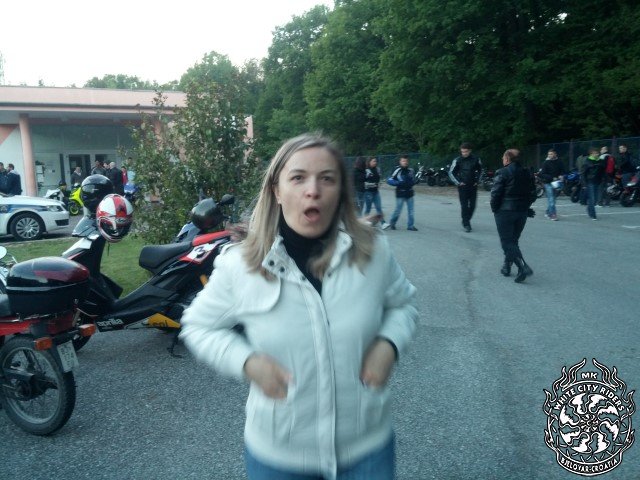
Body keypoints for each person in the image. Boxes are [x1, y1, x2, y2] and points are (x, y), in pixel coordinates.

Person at [180, 133, 418, 480]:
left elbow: (403, 306)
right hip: (279, 459)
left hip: (368, 451)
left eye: (327, 179)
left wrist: (389, 344)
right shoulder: (241, 264)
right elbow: (198, 325)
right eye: (298, 177)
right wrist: (247, 362)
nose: (313, 190)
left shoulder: (373, 251)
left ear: (341, 191)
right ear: (276, 190)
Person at [490, 149, 537, 283]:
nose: (502, 159)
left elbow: (495, 193)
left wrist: (495, 209)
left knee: (507, 242)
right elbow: (533, 193)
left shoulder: (502, 172)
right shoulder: (527, 172)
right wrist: (526, 207)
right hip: (521, 212)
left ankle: (522, 266)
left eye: (503, 157)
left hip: (505, 211)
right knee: (513, 241)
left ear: (507, 159)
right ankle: (507, 266)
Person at [448, 142, 483, 232]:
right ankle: (466, 223)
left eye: (466, 151)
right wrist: (458, 183)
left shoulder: (476, 159)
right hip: (462, 186)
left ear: (470, 151)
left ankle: (466, 219)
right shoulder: (457, 160)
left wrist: (477, 181)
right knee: (464, 206)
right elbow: (451, 172)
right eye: (462, 151)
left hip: (473, 185)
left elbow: (481, 170)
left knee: (472, 205)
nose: (464, 153)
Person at [387, 156, 417, 231]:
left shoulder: (411, 170)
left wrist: (414, 182)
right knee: (398, 211)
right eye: (403, 161)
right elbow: (389, 180)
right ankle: (392, 223)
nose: (405, 162)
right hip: (400, 193)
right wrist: (398, 183)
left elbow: (413, 180)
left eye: (406, 161)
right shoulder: (397, 170)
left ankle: (410, 226)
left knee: (411, 211)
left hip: (409, 193)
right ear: (400, 162)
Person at [363, 157, 390, 230]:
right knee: (368, 208)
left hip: (376, 192)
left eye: (376, 161)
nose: (375, 162)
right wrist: (373, 184)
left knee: (379, 208)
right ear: (369, 162)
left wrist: (379, 184)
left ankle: (383, 223)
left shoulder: (377, 169)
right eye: (373, 161)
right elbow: (364, 182)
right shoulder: (366, 171)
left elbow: (379, 179)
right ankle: (364, 222)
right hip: (368, 192)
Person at [538, 149, 565, 221]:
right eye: (549, 154)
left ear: (555, 154)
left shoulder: (560, 162)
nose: (549, 155)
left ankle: (548, 212)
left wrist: (561, 175)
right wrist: (552, 178)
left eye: (551, 154)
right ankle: (553, 215)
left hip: (557, 183)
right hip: (548, 183)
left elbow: (563, 170)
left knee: (553, 200)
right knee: (551, 200)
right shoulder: (546, 162)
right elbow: (542, 174)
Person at [580, 147, 605, 220]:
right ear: (591, 154)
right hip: (590, 182)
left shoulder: (601, 161)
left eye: (597, 153)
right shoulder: (587, 161)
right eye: (594, 153)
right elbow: (583, 173)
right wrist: (584, 184)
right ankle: (593, 215)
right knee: (592, 199)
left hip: (598, 181)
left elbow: (603, 171)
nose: (596, 154)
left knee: (595, 199)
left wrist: (604, 179)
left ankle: (589, 208)